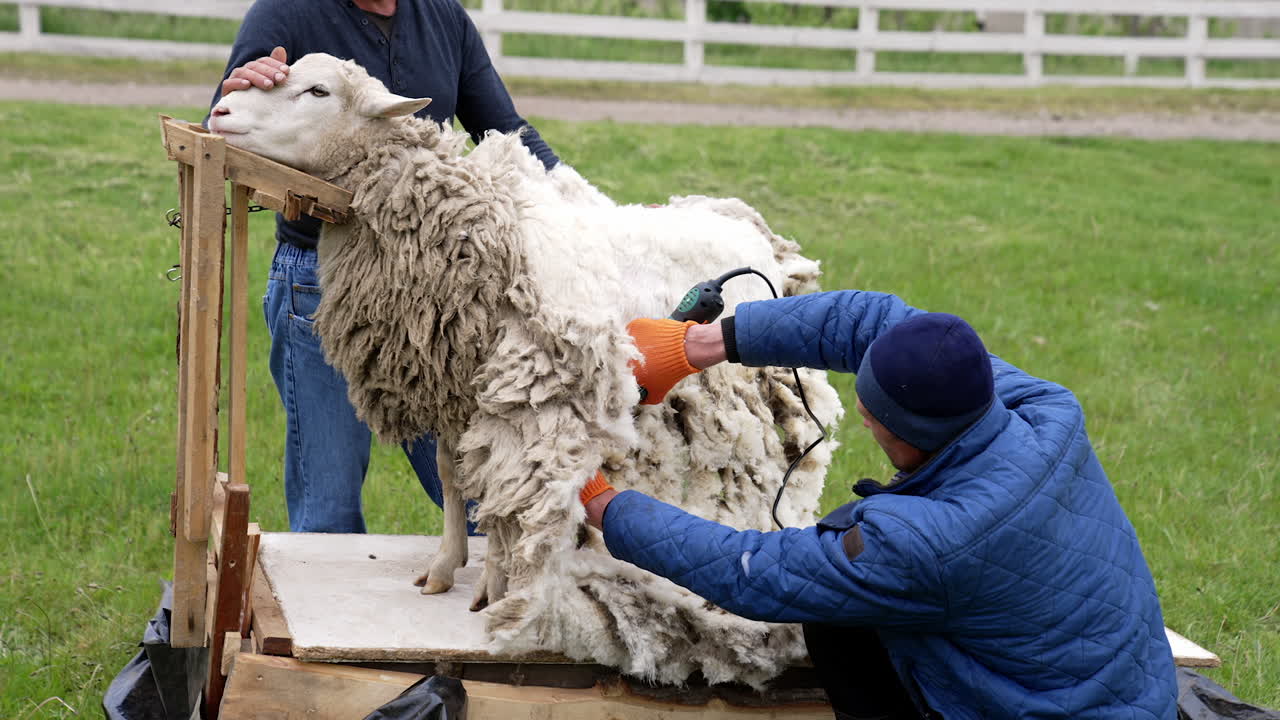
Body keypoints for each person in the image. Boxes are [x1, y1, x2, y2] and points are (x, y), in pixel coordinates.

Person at [579, 290, 1179, 719]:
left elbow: (755, 571)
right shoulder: (1043, 411)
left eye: (867, 416)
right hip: (1123, 688)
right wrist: (703, 342)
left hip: (1052, 710)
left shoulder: (931, 542)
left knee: (831, 600)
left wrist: (607, 506)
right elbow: (875, 321)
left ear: (900, 430)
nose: (860, 418)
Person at [208, 0, 558, 533]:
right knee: (328, 510)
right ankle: (327, 611)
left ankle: (497, 597)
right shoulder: (287, 12)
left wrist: (583, 203)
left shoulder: (442, 17)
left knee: (482, 496)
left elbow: (503, 127)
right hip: (320, 283)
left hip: (427, 300)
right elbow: (227, 124)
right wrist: (238, 88)